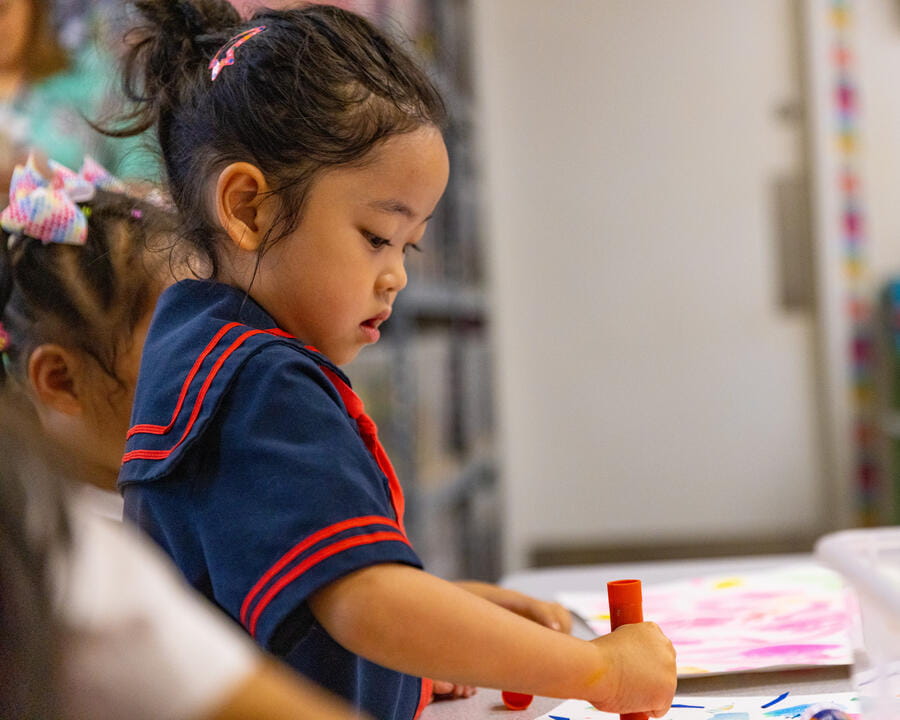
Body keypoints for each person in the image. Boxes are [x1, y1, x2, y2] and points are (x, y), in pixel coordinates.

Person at [107, 3, 677, 720]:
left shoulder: (201, 350)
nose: (396, 277)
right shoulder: (262, 381)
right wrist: (599, 671)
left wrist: (443, 636)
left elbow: (279, 597)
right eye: (377, 236)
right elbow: (366, 604)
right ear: (248, 208)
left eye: (407, 248)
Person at [0, 155, 367, 720]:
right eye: (185, 341)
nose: (224, 363)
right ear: (61, 380)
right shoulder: (78, 557)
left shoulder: (182, 494)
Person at [0, 0, 154, 199]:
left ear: (32, 8)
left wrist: (66, 187)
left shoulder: (95, 85)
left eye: (2, 10)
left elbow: (146, 177)